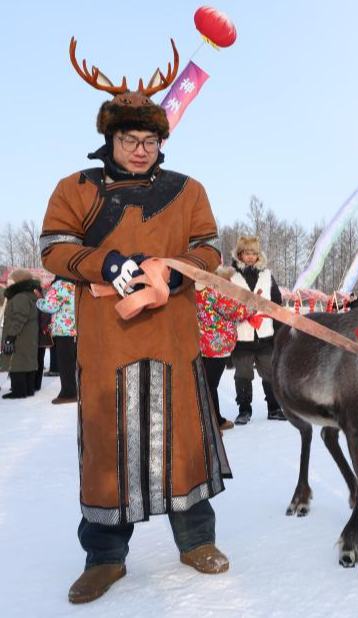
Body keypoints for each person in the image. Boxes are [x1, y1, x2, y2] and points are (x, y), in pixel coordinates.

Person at [40, 59, 231, 603]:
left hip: (172, 336)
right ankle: (104, 558)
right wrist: (107, 266)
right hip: (106, 344)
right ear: (111, 138)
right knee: (107, 446)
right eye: (130, 138)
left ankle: (196, 542)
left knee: (184, 438)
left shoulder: (187, 190)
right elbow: (55, 249)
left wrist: (176, 269)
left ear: (161, 141)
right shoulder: (75, 189)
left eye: (149, 139)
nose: (141, 149)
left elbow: (209, 249)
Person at [230, 236, 286, 424]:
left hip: (264, 335)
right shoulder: (232, 276)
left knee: (270, 372)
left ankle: (274, 408)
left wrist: (278, 330)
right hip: (242, 335)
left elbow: (277, 301)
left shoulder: (267, 275)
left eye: (254, 253)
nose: (251, 257)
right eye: (247, 253)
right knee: (243, 374)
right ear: (240, 254)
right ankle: (244, 410)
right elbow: (226, 303)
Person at [197, 266, 250, 431]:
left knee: (205, 383)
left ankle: (206, 420)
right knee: (210, 385)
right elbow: (235, 311)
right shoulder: (214, 291)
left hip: (202, 343)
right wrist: (253, 305)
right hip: (218, 345)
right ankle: (215, 422)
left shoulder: (195, 290)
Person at [36, 276, 78, 404]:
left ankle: (68, 393)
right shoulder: (77, 284)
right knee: (72, 362)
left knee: (65, 363)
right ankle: (74, 390)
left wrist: (38, 300)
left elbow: (50, 306)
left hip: (63, 329)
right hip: (76, 328)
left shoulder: (60, 285)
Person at [1, 270, 41, 399]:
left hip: (20, 336)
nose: (8, 283)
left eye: (11, 281)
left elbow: (19, 317)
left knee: (17, 361)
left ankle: (19, 391)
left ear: (19, 281)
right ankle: (28, 389)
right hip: (27, 335)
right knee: (27, 361)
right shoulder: (27, 295)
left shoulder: (20, 297)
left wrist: (11, 335)